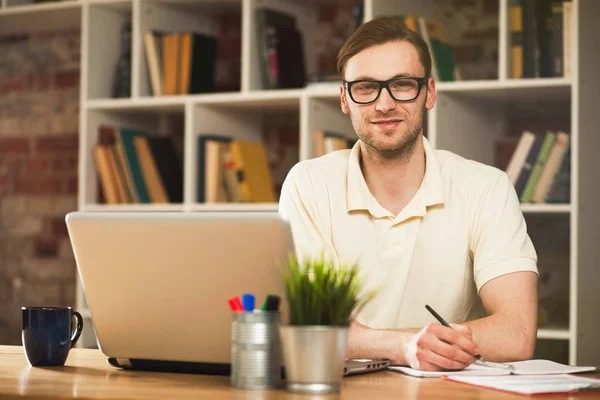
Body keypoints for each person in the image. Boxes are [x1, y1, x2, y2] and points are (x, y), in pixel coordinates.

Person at [278, 16, 538, 371]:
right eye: (366, 87)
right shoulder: (308, 185)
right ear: (344, 99)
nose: (384, 104)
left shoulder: (486, 188)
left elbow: (516, 332)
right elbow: (307, 328)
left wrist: (383, 342)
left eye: (401, 84)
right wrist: (402, 345)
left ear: (429, 92)